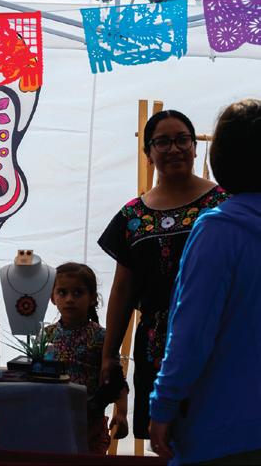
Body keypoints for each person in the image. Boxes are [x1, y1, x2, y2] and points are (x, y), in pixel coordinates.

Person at [98, 110, 229, 440]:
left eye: (183, 140)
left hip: (217, 342)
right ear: (148, 153)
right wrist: (109, 355)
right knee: (164, 443)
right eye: (163, 142)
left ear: (195, 147)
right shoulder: (133, 216)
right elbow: (123, 290)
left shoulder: (223, 203)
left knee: (215, 437)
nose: (174, 149)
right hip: (156, 349)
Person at [149, 99, 261, 464]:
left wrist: (163, 404)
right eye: (162, 142)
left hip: (226, 428)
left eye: (183, 140)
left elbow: (192, 333)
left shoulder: (220, 229)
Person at [45, 262, 128, 454]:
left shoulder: (102, 337)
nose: (69, 299)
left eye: (78, 293)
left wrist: (122, 413)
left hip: (90, 425)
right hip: (53, 420)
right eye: (62, 292)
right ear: (52, 298)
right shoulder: (46, 336)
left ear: (92, 298)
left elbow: (117, 380)